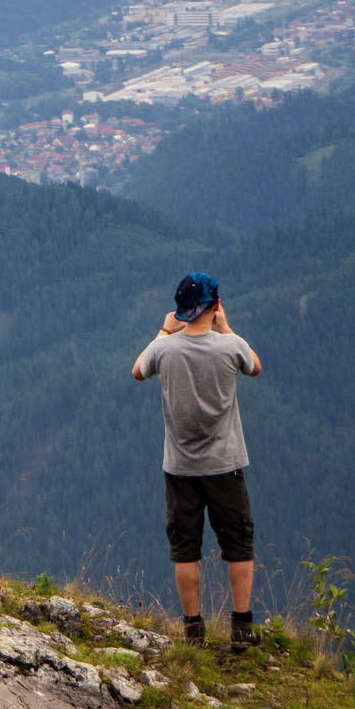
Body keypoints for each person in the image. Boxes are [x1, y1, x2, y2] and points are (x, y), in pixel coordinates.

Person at [132, 272, 264, 651]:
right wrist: (225, 327)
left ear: (181, 311)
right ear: (215, 305)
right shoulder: (230, 346)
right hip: (225, 464)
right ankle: (241, 628)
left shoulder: (164, 351)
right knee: (238, 543)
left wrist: (163, 331)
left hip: (180, 468)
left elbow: (137, 371)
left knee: (185, 548)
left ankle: (194, 631)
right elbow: (255, 366)